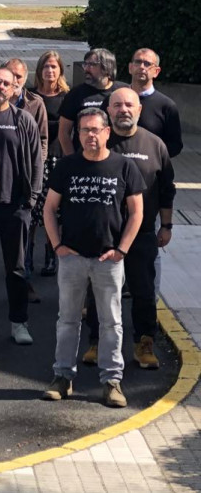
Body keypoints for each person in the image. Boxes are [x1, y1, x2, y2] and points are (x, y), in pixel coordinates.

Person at [41, 108, 144, 409]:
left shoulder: (124, 167)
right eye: (84, 130)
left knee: (111, 322)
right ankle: (62, 377)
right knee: (67, 320)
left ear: (107, 132)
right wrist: (57, 244)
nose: (90, 135)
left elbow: (137, 212)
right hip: (72, 257)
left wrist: (122, 249)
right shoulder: (67, 166)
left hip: (109, 259)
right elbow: (49, 208)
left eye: (96, 130)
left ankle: (112, 381)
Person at [79, 89, 175, 370]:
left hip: (143, 233)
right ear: (108, 110)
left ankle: (144, 344)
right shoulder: (96, 142)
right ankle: (97, 342)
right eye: (117, 104)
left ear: (139, 110)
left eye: (129, 105)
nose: (124, 109)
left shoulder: (155, 145)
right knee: (100, 293)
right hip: (104, 234)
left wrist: (166, 225)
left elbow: (167, 190)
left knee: (144, 292)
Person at [0, 67, 43, 346]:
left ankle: (19, 322)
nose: (1, 87)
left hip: (15, 205)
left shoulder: (24, 120)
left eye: (7, 83)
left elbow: (36, 161)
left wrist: (32, 199)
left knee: (16, 269)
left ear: (15, 88)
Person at [33, 50, 71, 277]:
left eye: (54, 67)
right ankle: (27, 257)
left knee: (54, 211)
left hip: (59, 159)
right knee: (34, 210)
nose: (50, 71)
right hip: (37, 159)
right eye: (46, 67)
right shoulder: (30, 96)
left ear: (60, 71)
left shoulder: (67, 97)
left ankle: (51, 255)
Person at [57, 47, 127, 156]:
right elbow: (63, 133)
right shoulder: (75, 94)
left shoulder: (123, 92)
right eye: (85, 64)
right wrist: (72, 159)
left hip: (117, 158)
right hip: (84, 159)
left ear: (107, 68)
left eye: (92, 65)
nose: (86, 69)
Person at [128, 48, 183, 157]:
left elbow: (175, 145)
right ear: (130, 67)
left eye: (147, 64)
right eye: (138, 62)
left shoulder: (167, 106)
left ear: (156, 71)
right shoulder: (115, 100)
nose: (142, 67)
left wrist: (153, 158)